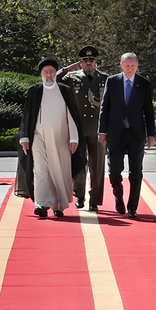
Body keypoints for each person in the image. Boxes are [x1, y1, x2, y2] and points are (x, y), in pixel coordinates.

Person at [15, 57, 85, 218]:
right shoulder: (34, 91)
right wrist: (24, 137)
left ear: (55, 73)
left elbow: (72, 115)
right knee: (40, 170)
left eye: (52, 71)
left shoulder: (65, 90)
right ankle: (42, 204)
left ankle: (58, 205)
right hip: (38, 137)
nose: (49, 75)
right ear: (41, 73)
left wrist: (74, 137)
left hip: (61, 138)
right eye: (46, 72)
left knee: (59, 171)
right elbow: (27, 116)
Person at [98, 52, 156, 218]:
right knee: (115, 170)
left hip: (136, 133)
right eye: (127, 65)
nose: (130, 68)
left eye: (133, 65)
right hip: (115, 133)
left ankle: (133, 207)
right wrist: (102, 131)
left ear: (137, 65)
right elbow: (105, 107)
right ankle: (118, 197)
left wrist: (151, 134)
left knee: (136, 172)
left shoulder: (143, 83)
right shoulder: (112, 81)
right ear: (121, 65)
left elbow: (149, 111)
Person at [56, 45, 108, 211]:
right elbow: (56, 79)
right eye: (84, 60)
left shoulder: (105, 78)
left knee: (97, 167)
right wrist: (69, 67)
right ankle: (79, 196)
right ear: (81, 62)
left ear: (96, 61)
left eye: (91, 60)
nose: (88, 63)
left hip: (98, 129)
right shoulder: (72, 77)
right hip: (78, 129)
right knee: (79, 164)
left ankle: (95, 200)